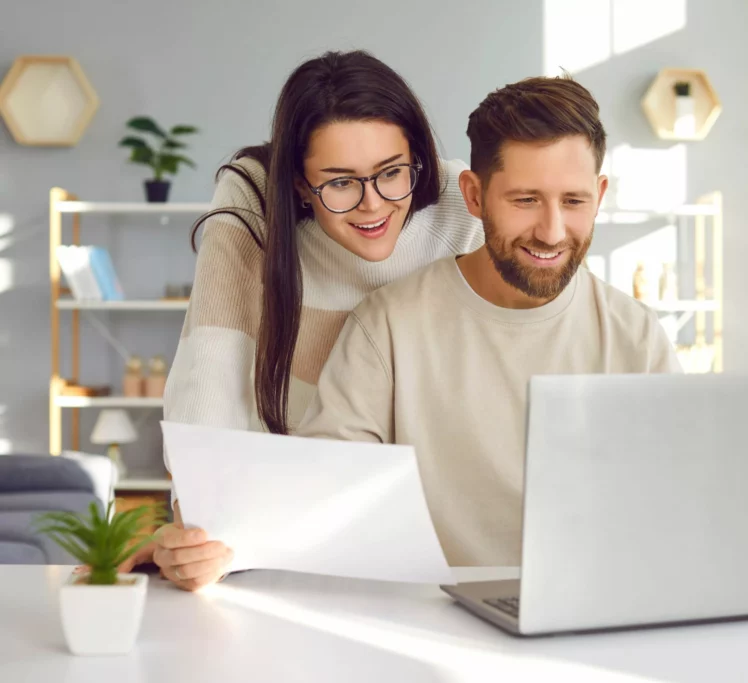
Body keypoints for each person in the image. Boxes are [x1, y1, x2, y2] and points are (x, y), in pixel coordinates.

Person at [127, 50, 483, 590]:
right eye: (340, 183)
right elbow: (212, 368)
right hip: (286, 535)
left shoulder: (461, 206)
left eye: (392, 173)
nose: (372, 205)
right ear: (297, 182)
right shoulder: (254, 198)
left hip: (436, 540)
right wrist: (197, 528)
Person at [297, 76, 682, 568]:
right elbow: (321, 498)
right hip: (428, 619)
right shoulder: (388, 326)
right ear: (474, 196)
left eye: (574, 201)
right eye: (525, 200)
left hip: (595, 620)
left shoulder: (637, 338)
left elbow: (676, 510)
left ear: (600, 194)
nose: (552, 231)